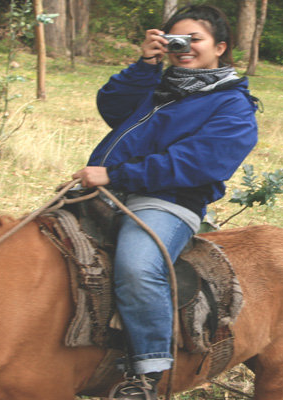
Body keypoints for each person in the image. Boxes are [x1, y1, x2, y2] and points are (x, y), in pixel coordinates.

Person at [71, 5, 258, 399]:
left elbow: (198, 163)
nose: (183, 47)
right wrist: (145, 63)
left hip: (167, 202)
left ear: (219, 47)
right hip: (107, 192)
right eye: (176, 40)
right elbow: (113, 107)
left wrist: (117, 174)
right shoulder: (158, 86)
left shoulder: (233, 106)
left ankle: (148, 372)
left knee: (138, 266)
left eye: (195, 40)